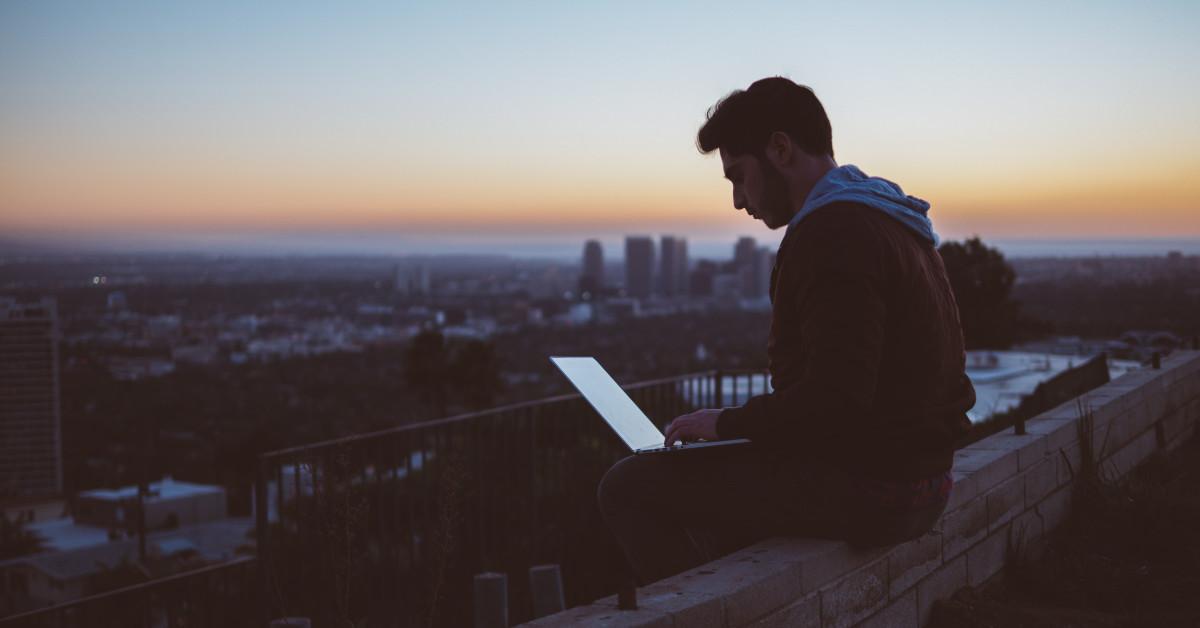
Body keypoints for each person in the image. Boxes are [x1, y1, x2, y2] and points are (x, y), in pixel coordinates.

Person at [596, 77, 977, 585]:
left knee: (627, 486)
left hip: (880, 490)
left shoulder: (832, 232)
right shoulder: (892, 219)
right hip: (923, 479)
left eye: (738, 176)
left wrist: (726, 424)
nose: (737, 200)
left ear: (780, 149)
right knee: (717, 488)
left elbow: (836, 400)